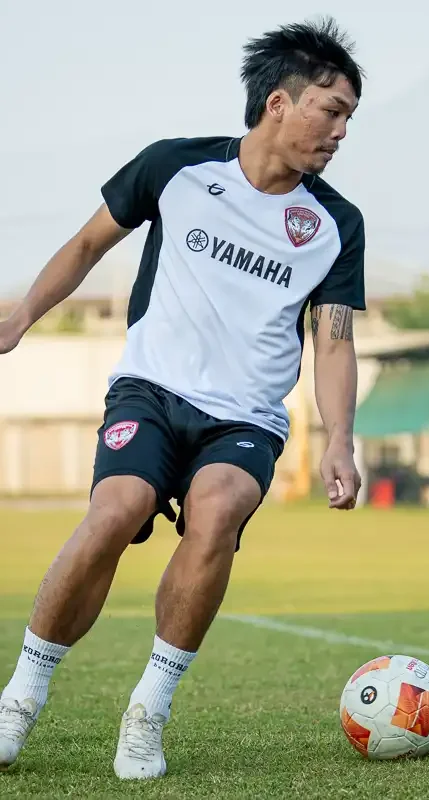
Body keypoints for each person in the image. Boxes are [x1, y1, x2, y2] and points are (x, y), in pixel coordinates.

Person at [0, 17, 365, 780]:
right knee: (116, 511)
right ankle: (20, 700)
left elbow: (332, 341)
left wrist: (339, 438)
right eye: (331, 111)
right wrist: (24, 312)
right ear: (278, 103)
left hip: (246, 419)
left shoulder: (336, 224)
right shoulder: (176, 167)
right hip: (151, 390)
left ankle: (148, 713)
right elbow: (88, 244)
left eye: (348, 119)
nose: (340, 133)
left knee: (219, 509)